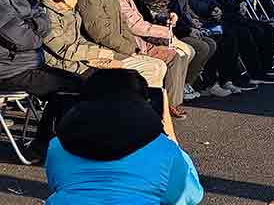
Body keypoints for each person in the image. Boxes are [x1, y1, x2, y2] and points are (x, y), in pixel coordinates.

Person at [45, 69, 204, 205]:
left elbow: (57, 185)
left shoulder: (58, 145)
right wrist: (173, 142)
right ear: (142, 103)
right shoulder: (162, 148)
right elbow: (190, 195)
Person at [0, 0, 83, 162]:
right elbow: (25, 39)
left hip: (28, 64)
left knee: (75, 84)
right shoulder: (2, 1)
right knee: (70, 88)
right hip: (10, 71)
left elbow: (43, 24)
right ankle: (45, 146)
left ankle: (47, 143)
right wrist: (34, 29)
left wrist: (32, 26)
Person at [76, 0, 168, 90]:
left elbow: (122, 24)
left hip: (116, 47)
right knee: (154, 68)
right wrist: (130, 49)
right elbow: (100, 32)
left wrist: (132, 46)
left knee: (158, 66)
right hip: (101, 51)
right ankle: (137, 107)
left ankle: (148, 107)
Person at [166, 0, 224, 99]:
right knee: (203, 46)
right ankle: (183, 85)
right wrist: (189, 28)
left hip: (190, 24)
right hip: (176, 30)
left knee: (214, 41)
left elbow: (188, 9)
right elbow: (174, 14)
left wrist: (195, 21)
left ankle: (205, 82)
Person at [39, 0, 122, 75]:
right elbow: (63, 49)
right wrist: (97, 53)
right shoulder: (46, 19)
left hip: (78, 60)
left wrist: (98, 50)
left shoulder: (68, 9)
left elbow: (77, 38)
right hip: (63, 68)